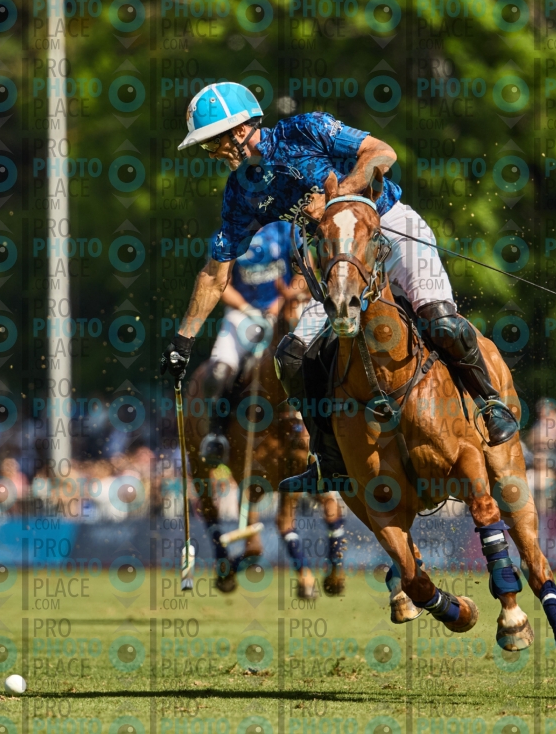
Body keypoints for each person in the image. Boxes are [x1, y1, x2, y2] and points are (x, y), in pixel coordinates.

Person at [160, 82, 518, 495]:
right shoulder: (241, 192)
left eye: (212, 143)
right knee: (290, 357)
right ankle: (327, 458)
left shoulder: (305, 129)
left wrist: (336, 198)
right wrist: (183, 340)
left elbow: (381, 153)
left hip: (390, 230)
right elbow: (214, 273)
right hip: (338, 261)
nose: (211, 153)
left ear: (240, 130)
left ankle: (490, 403)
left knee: (440, 321)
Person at [198, 221, 294, 467]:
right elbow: (219, 284)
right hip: (243, 315)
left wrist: (279, 305)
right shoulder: (225, 236)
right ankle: (216, 435)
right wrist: (248, 310)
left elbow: (305, 274)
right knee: (219, 372)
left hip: (286, 310)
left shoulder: (286, 231)